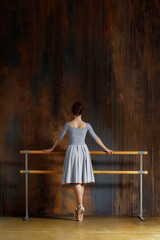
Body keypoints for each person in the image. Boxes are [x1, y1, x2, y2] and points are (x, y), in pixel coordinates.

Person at [43, 102, 114, 221]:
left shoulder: (68, 124)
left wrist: (51, 149)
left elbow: (59, 139)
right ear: (82, 112)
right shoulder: (87, 125)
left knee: (77, 179)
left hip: (72, 151)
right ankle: (79, 208)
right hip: (83, 151)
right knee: (82, 180)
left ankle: (79, 206)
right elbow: (96, 139)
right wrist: (106, 149)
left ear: (72, 111)